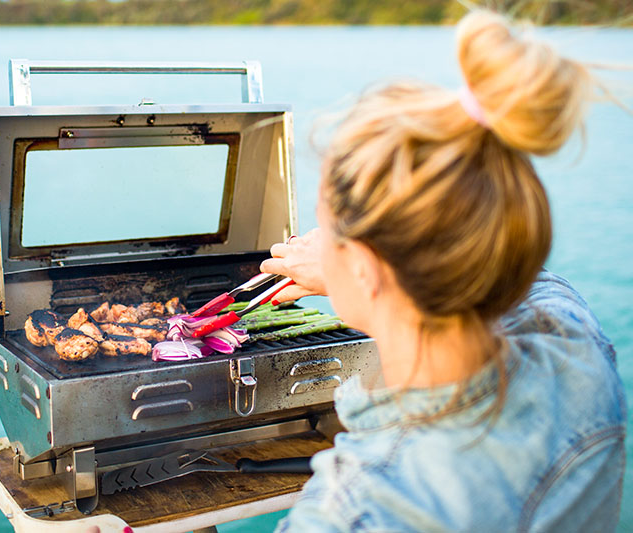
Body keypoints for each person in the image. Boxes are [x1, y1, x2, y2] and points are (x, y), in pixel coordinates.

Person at [260, 9, 626, 532]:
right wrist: (370, 277)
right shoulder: (578, 353)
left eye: (327, 234)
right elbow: (507, 270)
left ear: (367, 269)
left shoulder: (354, 512)